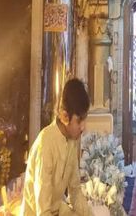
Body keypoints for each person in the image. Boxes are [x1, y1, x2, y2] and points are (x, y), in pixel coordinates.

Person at [20, 78, 91, 216]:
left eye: (85, 119)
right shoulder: (46, 144)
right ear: (65, 116)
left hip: (57, 210)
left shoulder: (71, 140)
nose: (83, 127)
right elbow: (43, 211)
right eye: (79, 120)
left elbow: (75, 191)